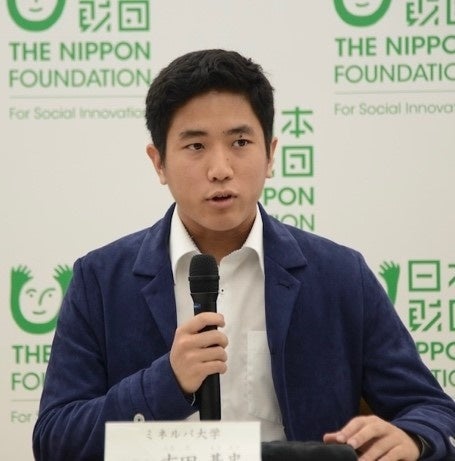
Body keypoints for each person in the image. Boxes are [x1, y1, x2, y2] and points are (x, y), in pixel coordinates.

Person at [33, 49, 455, 461]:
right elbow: (55, 440)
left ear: (270, 154)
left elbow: (432, 410)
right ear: (158, 162)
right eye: (195, 146)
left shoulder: (340, 275)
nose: (220, 169)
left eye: (240, 142)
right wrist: (166, 382)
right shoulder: (101, 280)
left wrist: (414, 439)